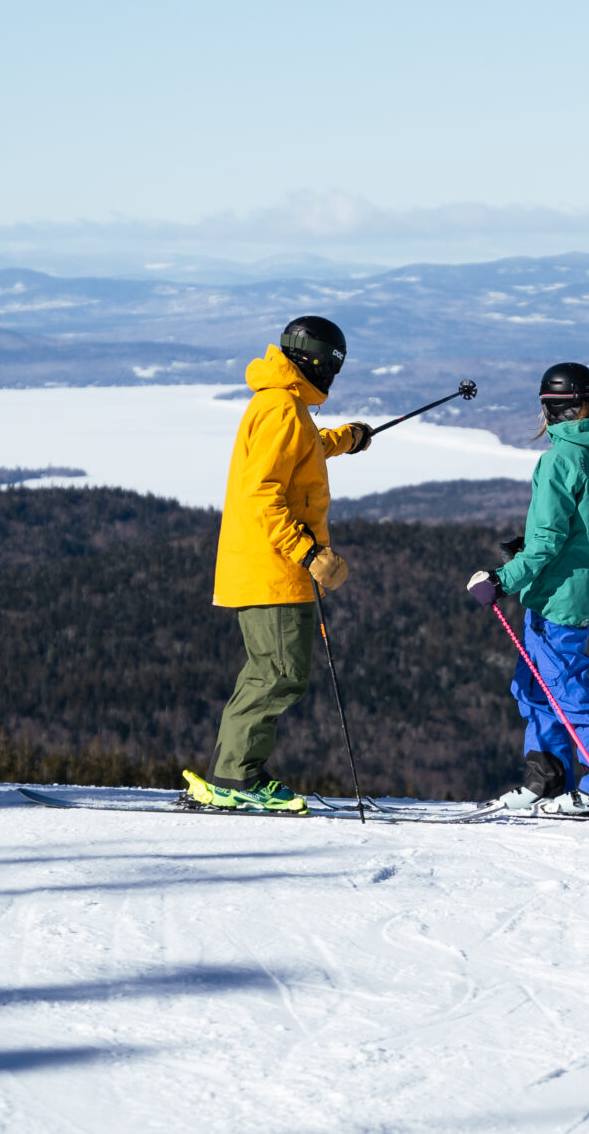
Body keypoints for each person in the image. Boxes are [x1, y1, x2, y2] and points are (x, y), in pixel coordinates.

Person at [185, 316, 372, 814]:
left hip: (271, 567)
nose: (333, 375)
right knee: (278, 673)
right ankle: (236, 777)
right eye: (333, 365)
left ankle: (232, 773)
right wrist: (308, 552)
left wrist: (346, 438)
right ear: (318, 361)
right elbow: (262, 493)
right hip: (274, 569)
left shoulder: (284, 403)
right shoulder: (281, 407)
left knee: (271, 671)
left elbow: (301, 450)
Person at [466, 361, 589, 819]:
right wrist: (526, 547)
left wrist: (500, 580)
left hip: (557, 597)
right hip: (579, 586)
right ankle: (546, 780)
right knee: (534, 687)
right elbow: (576, 528)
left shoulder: (559, 459)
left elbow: (548, 541)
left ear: (550, 408)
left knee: (568, 692)